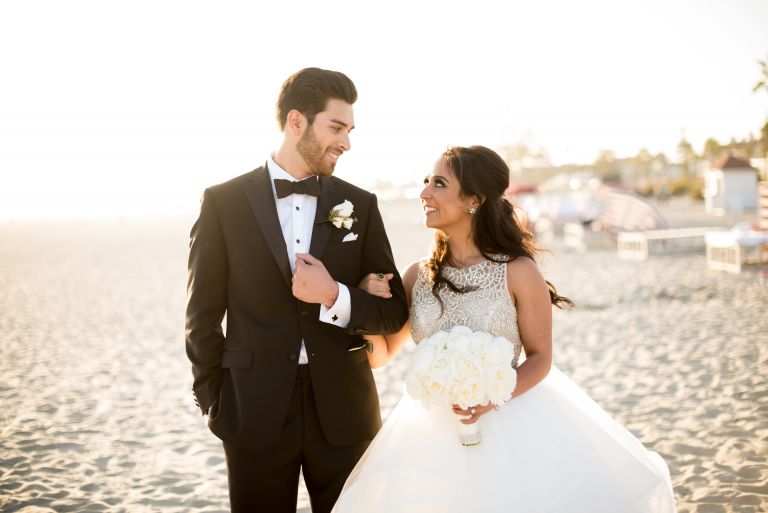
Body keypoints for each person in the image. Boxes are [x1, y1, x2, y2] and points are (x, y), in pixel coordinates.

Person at [333, 146, 677, 512]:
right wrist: (361, 304)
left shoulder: (518, 271)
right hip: (429, 434)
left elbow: (541, 358)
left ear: (473, 200)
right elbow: (382, 355)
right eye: (425, 182)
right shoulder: (418, 276)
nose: (424, 193)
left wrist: (491, 399)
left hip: (509, 423)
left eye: (438, 184)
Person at [185, 67, 409, 513]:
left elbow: (394, 312)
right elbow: (201, 317)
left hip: (345, 411)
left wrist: (334, 296)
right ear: (296, 122)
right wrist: (214, 400)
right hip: (252, 409)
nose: (346, 142)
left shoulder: (359, 205)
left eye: (349, 130)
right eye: (337, 127)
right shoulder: (223, 203)